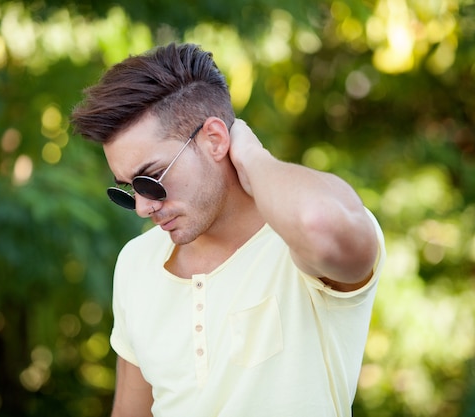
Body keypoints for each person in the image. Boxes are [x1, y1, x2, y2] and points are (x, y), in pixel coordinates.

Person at [70, 43, 386, 417]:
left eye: (152, 178)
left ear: (215, 140)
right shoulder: (136, 262)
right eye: (128, 188)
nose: (142, 207)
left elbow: (319, 222)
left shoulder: (296, 244)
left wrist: (252, 156)